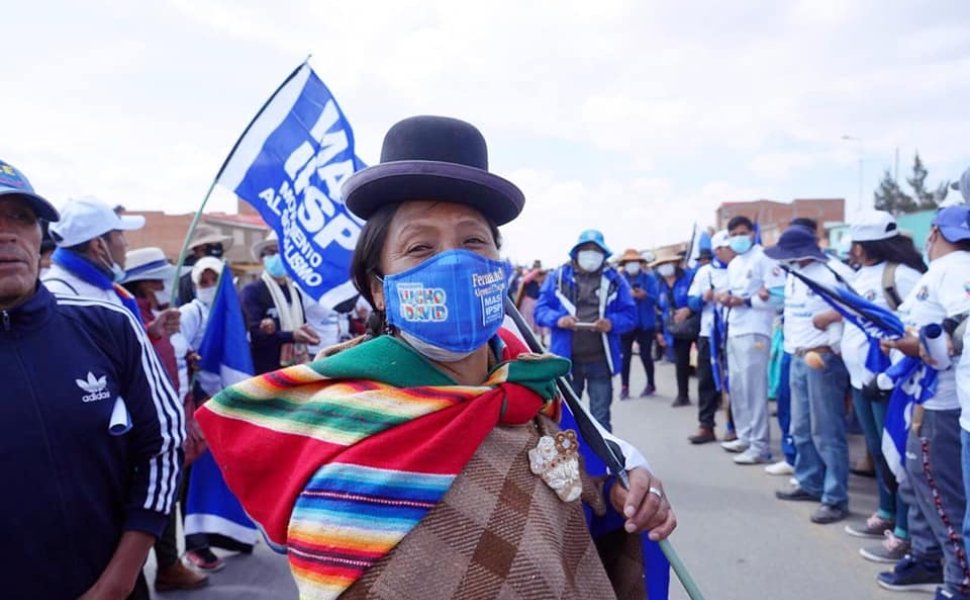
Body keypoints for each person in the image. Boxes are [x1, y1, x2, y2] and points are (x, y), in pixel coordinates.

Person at [196, 116, 675, 599]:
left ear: (498, 268)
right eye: (420, 247)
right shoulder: (344, 431)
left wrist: (622, 492)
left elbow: (586, 497)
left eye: (473, 241)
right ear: (379, 289)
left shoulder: (530, 389)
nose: (454, 262)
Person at [0, 159, 185, 599]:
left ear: (40, 235)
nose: (7, 234)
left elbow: (162, 445)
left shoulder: (108, 324)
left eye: (21, 217)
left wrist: (118, 580)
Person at [875, 205, 970, 599]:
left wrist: (910, 344)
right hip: (925, 396)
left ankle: (958, 579)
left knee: (939, 490)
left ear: (934, 232)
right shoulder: (941, 271)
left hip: (942, 401)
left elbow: (954, 336)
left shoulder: (954, 269)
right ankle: (930, 557)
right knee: (919, 481)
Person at [829, 212, 925, 560]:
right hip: (861, 378)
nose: (852, 250)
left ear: (864, 245)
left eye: (856, 244)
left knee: (896, 453)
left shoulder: (901, 274)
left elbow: (919, 324)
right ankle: (886, 512)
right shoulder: (859, 275)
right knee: (877, 449)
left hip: (890, 380)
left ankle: (905, 532)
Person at [122, 248, 210, 591]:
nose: (164, 285)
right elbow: (133, 354)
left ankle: (169, 562)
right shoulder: (130, 314)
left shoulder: (161, 314)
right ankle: (158, 566)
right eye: (160, 280)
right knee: (158, 492)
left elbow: (171, 359)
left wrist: (188, 357)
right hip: (152, 422)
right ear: (146, 284)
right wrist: (153, 332)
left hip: (177, 413)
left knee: (171, 489)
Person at [766, 225, 854, 524]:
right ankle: (809, 481)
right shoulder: (794, 272)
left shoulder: (832, 272)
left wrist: (830, 316)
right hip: (797, 355)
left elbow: (860, 305)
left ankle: (835, 497)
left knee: (826, 430)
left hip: (823, 357)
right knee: (801, 427)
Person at [535, 229, 637, 432]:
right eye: (586, 249)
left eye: (596, 250)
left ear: (603, 254)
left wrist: (611, 323)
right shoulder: (558, 277)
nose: (591, 254)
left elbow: (630, 315)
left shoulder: (615, 280)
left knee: (601, 419)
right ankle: (572, 454)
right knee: (565, 419)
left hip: (601, 361)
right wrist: (559, 320)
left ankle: (602, 454)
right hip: (566, 362)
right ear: (576, 252)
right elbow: (541, 311)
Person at [718, 215, 785, 465]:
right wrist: (726, 298)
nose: (739, 238)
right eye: (734, 234)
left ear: (752, 233)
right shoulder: (734, 263)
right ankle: (745, 436)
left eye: (743, 232)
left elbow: (778, 296)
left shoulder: (764, 258)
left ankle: (759, 445)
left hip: (756, 330)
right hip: (734, 329)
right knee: (738, 387)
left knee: (754, 389)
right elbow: (733, 293)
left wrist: (746, 301)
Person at [42, 195, 145, 312]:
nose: (126, 243)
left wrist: (153, 325)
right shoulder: (59, 297)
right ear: (98, 245)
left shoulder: (95, 285)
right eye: (120, 234)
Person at [241, 230, 320, 374]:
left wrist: (307, 334)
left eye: (282, 252)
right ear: (262, 259)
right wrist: (291, 336)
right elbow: (254, 335)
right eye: (271, 252)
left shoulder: (294, 292)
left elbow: (301, 325)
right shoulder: (253, 291)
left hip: (295, 367)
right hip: (265, 369)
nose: (277, 256)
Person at [686, 230, 734, 443]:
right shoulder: (704, 272)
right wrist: (703, 298)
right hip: (709, 334)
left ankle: (734, 426)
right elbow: (691, 302)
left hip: (733, 333)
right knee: (706, 380)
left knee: (734, 382)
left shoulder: (739, 269)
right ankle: (706, 425)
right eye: (725, 247)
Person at [654, 249, 698, 407]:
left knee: (704, 363)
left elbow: (699, 297)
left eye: (668, 263)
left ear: (675, 263)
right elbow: (658, 309)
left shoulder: (690, 277)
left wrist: (689, 309)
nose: (665, 266)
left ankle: (714, 396)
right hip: (676, 328)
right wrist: (658, 331)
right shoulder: (659, 285)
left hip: (696, 324)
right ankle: (682, 395)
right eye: (662, 264)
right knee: (681, 363)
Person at [616, 248, 659, 399]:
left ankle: (651, 384)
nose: (632, 264)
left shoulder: (649, 279)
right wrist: (628, 296)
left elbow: (657, 299)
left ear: (640, 263)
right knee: (625, 356)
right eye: (629, 262)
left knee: (646, 355)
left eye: (635, 262)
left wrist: (645, 295)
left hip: (645, 322)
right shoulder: (619, 280)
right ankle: (624, 386)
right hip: (626, 323)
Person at [176, 224, 232, 306]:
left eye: (216, 245)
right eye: (206, 248)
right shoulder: (188, 276)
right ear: (197, 250)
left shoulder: (224, 271)